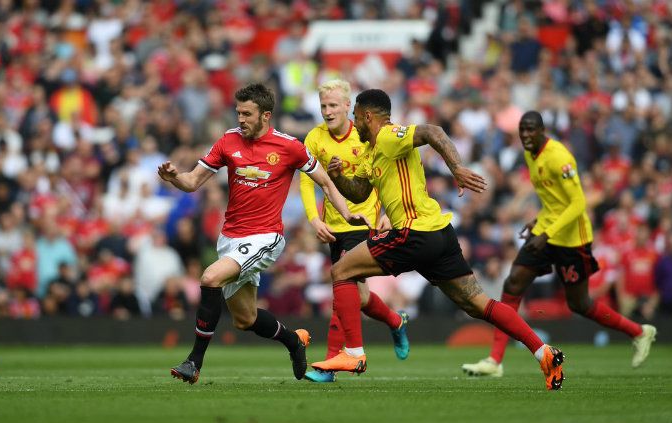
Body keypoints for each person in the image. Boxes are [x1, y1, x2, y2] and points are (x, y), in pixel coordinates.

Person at [314, 89, 565, 390]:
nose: (353, 123)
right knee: (476, 303)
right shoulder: (371, 152)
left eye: (356, 115)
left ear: (369, 116)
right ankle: (543, 352)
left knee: (341, 270)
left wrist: (456, 168)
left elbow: (433, 131)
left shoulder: (390, 136)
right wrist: (339, 177)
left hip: (413, 232)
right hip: (438, 235)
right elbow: (361, 193)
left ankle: (353, 354)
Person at [158, 83, 370, 384]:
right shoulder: (228, 140)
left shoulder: (289, 147)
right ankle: (294, 342)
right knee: (245, 319)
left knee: (209, 278)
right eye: (238, 113)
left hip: (265, 237)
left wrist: (347, 214)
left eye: (247, 114)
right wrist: (174, 178)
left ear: (265, 115)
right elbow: (192, 182)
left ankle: (194, 362)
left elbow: (324, 181)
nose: (240, 119)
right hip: (230, 238)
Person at [462, 111, 656, 378]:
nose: (526, 135)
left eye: (531, 130)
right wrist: (538, 223)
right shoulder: (531, 154)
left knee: (580, 304)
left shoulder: (560, 158)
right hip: (547, 230)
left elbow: (578, 203)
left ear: (543, 131)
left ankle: (640, 332)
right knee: (513, 282)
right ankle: (495, 361)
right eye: (523, 131)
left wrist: (546, 231)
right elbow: (553, 201)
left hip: (572, 239)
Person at [299, 79, 409, 383]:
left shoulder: (365, 134)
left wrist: (387, 212)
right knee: (357, 296)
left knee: (341, 284)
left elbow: (387, 172)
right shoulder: (314, 138)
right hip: (333, 224)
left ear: (349, 107)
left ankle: (335, 361)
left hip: (363, 222)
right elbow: (308, 180)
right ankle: (395, 321)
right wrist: (313, 218)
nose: (327, 111)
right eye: (323, 106)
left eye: (333, 105)